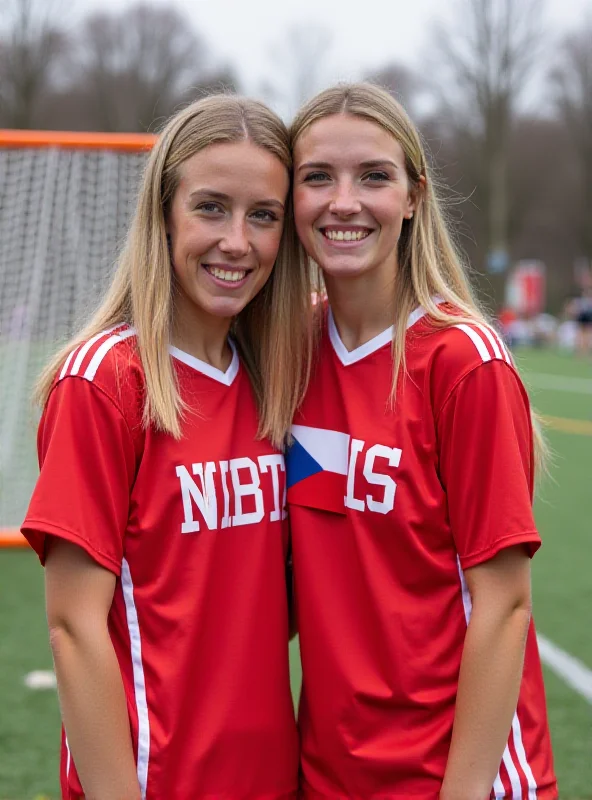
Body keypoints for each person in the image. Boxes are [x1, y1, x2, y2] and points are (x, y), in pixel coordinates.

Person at [21, 94, 312, 800]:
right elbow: (73, 626)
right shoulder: (105, 381)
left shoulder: (276, 383)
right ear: (163, 213)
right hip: (156, 780)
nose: (237, 241)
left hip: (272, 776)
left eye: (263, 216)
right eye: (211, 207)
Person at [286, 83, 558, 800]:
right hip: (331, 769)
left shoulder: (463, 361)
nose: (344, 201)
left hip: (456, 774)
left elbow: (502, 606)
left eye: (373, 176)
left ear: (413, 196)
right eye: (318, 177)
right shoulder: (288, 352)